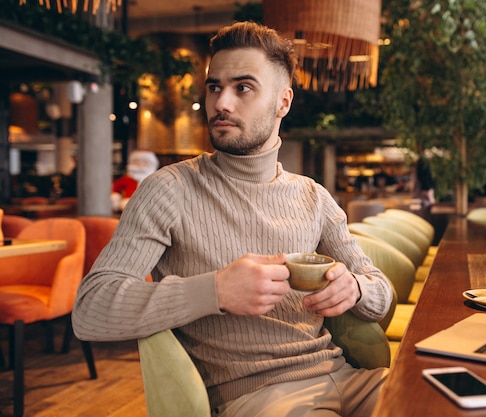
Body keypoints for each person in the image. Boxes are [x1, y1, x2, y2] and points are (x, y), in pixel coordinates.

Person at [72, 21, 393, 417]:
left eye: (243, 87)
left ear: (283, 102)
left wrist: (356, 289)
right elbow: (90, 310)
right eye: (214, 87)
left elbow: (381, 292)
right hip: (259, 397)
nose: (221, 103)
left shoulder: (315, 196)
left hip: (349, 377)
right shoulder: (168, 189)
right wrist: (216, 290)